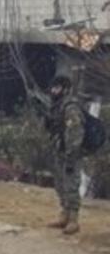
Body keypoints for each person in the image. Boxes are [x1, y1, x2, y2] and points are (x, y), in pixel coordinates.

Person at [40, 75, 87, 235]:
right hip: (59, 150)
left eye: (57, 88)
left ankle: (73, 219)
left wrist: (71, 155)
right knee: (60, 184)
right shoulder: (56, 106)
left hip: (70, 154)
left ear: (65, 89)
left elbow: (75, 133)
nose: (54, 91)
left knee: (71, 185)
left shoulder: (70, 107)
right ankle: (64, 215)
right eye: (53, 88)